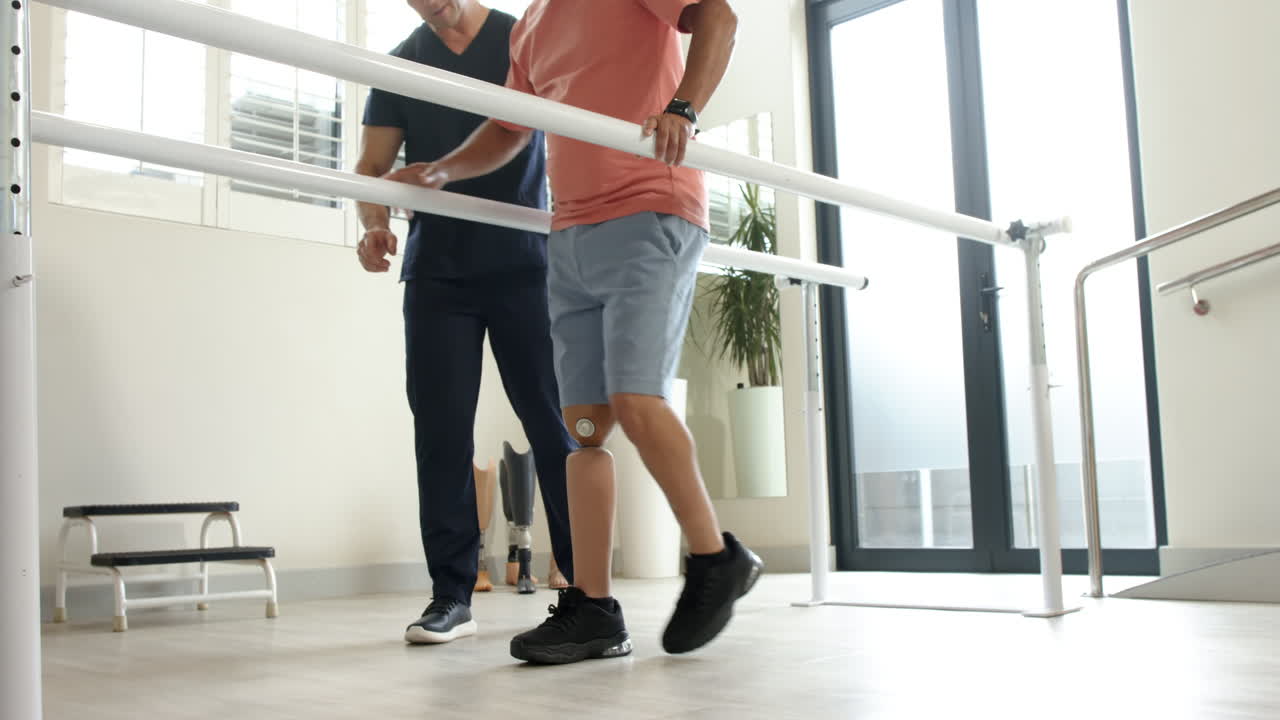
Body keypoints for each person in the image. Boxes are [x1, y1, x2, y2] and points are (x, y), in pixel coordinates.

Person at [393, 0, 762, 664]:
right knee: (584, 431)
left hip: (651, 207)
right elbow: (511, 128)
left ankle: (716, 558)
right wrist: (443, 170)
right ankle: (593, 610)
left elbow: (719, 18)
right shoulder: (532, 27)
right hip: (570, 233)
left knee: (635, 398)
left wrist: (683, 108)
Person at [353, 0, 576, 646]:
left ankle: (584, 585)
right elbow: (373, 167)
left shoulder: (522, 37)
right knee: (441, 432)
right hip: (438, 272)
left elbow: (547, 128)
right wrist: (374, 225)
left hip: (524, 264)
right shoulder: (402, 63)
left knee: (551, 421)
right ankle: (451, 594)